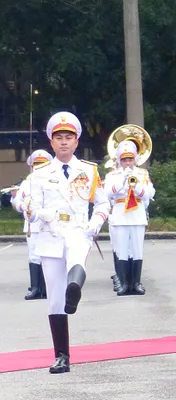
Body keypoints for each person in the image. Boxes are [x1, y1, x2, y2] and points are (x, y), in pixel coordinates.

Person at [21, 112, 110, 373]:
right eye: (58, 137)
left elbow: (102, 203)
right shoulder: (39, 174)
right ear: (51, 142)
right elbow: (32, 208)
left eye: (68, 138)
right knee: (54, 300)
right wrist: (35, 212)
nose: (63, 142)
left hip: (78, 230)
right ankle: (61, 356)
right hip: (50, 235)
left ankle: (75, 289)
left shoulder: (89, 171)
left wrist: (95, 223)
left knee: (76, 260)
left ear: (76, 141)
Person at [104, 140, 156, 296]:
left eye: (130, 159)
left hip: (137, 214)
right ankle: (125, 284)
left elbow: (149, 193)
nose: (128, 163)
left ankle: (136, 283)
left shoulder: (143, 174)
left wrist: (136, 185)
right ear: (120, 161)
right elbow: (107, 193)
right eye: (124, 160)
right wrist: (122, 182)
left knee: (137, 250)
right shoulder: (112, 175)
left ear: (135, 160)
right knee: (122, 250)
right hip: (120, 214)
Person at [11, 149, 53, 301]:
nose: (39, 167)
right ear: (32, 165)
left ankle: (48, 287)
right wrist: (24, 206)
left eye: (43, 164)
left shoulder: (53, 181)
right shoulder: (27, 183)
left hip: (49, 224)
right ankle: (36, 288)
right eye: (37, 164)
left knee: (49, 255)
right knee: (34, 255)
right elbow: (18, 202)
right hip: (32, 225)